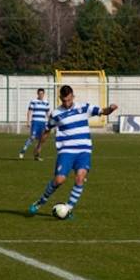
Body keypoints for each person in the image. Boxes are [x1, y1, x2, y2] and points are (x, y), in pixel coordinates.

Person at [28, 85, 118, 218]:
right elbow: (47, 130)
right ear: (60, 98)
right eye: (64, 101)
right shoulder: (56, 114)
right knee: (59, 180)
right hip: (66, 151)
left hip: (84, 150)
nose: (67, 103)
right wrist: (39, 147)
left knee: (80, 178)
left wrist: (110, 108)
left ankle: (68, 209)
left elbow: (103, 111)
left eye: (69, 100)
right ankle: (41, 201)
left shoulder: (84, 108)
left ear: (73, 97)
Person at [19, 88, 50, 161]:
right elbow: (29, 111)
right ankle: (23, 150)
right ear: (37, 94)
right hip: (35, 122)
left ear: (44, 94)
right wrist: (28, 121)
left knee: (41, 140)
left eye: (42, 94)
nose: (41, 95)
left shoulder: (46, 102)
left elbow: (48, 113)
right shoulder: (33, 101)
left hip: (43, 123)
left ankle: (37, 156)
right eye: (40, 94)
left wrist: (49, 122)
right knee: (32, 137)